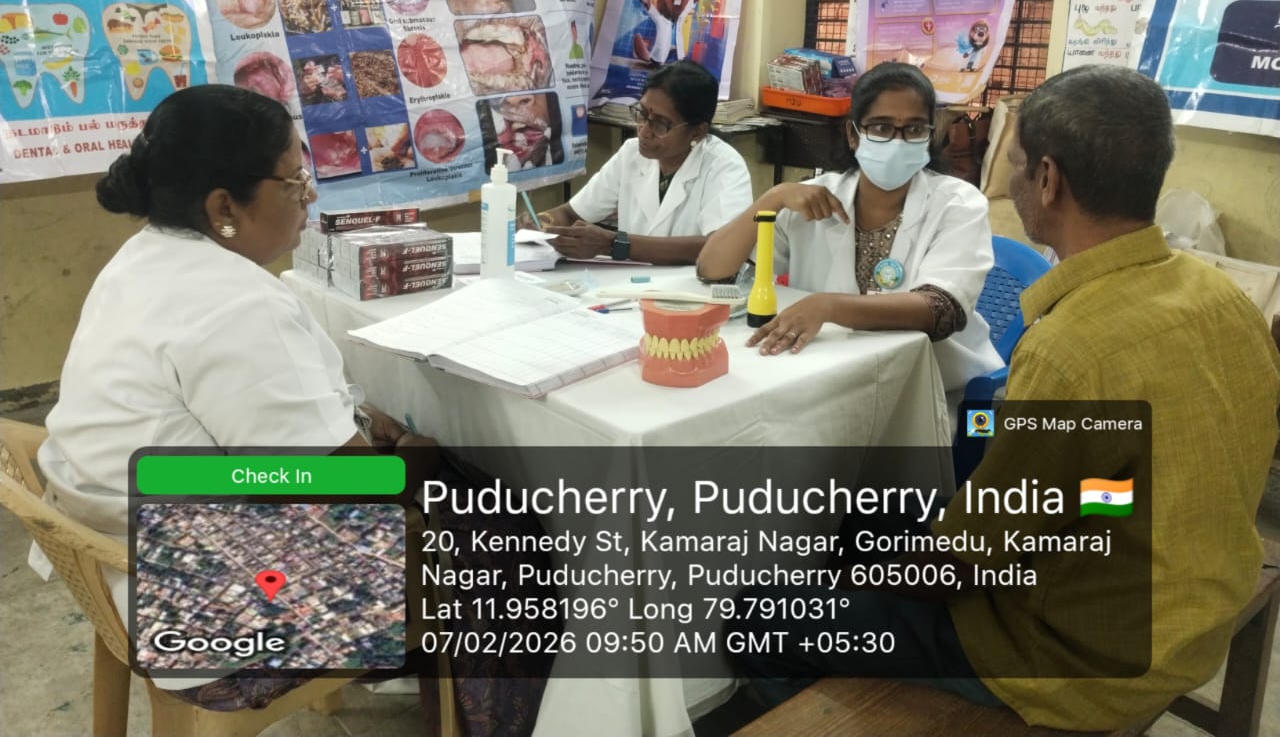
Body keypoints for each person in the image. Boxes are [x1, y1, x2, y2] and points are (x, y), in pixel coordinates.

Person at [727, 64, 1280, 731]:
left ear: (1047, 179)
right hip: (1194, 608)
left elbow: (963, 564)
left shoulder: (1070, 349)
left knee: (758, 613)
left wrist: (856, 582)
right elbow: (1092, 490)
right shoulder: (1224, 298)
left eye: (1013, 163)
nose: (1010, 183)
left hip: (1072, 653)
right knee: (877, 529)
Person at [36, 85, 436, 705]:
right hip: (205, 613)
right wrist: (417, 455)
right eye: (294, 181)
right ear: (224, 205)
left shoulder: (146, 255)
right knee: (487, 525)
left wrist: (351, 419)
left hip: (121, 554)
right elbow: (348, 487)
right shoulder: (238, 303)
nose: (309, 196)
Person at [697, 61, 1000, 396]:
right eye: (881, 127)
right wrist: (772, 198)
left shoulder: (958, 204)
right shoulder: (815, 197)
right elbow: (714, 271)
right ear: (853, 135)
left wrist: (827, 307)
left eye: (914, 129)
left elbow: (941, 309)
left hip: (936, 386)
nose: (898, 141)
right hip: (827, 373)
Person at [524, 60, 752, 265]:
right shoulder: (631, 153)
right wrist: (539, 222)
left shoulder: (724, 166)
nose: (644, 130)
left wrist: (615, 244)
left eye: (661, 124)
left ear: (697, 131)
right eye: (642, 114)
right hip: (634, 285)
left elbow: (722, 246)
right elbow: (572, 213)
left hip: (694, 289)